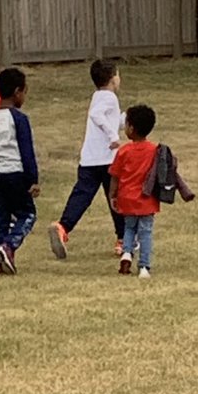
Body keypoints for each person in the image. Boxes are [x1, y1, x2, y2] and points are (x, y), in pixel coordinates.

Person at [48, 58, 126, 260]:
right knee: (116, 198)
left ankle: (63, 227)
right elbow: (97, 116)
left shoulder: (97, 96)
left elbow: (110, 120)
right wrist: (113, 137)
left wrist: (129, 119)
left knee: (82, 196)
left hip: (89, 160)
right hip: (108, 160)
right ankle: (123, 238)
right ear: (112, 79)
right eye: (117, 74)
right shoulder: (109, 97)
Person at [0, 67, 40, 275]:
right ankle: (8, 246)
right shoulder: (18, 119)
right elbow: (26, 150)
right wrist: (32, 179)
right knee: (28, 214)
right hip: (14, 173)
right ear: (18, 92)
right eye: (25, 92)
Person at [108, 105, 160, 278]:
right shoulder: (154, 151)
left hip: (127, 197)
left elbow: (115, 176)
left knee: (129, 228)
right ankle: (144, 266)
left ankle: (127, 254)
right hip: (147, 199)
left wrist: (112, 195)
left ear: (131, 128)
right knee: (145, 232)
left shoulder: (124, 151)